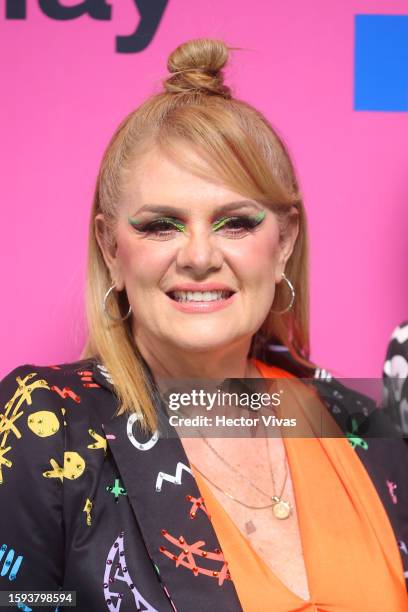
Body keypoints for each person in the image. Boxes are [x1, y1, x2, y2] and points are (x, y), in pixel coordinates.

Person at [0, 38, 407, 612]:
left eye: (235, 223)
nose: (198, 256)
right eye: (161, 226)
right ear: (111, 250)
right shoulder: (47, 426)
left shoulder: (362, 423)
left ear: (283, 243)